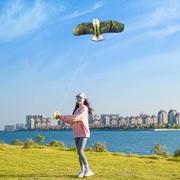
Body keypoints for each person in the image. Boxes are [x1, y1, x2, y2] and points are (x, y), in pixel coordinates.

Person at [56, 92, 94, 178]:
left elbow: (76, 118)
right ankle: (82, 170)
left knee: (80, 151)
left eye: (80, 98)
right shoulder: (76, 110)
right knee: (78, 152)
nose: (78, 99)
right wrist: (60, 117)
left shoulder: (85, 108)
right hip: (76, 133)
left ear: (84, 99)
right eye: (77, 98)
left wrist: (62, 116)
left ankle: (88, 169)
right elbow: (71, 121)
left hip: (84, 133)